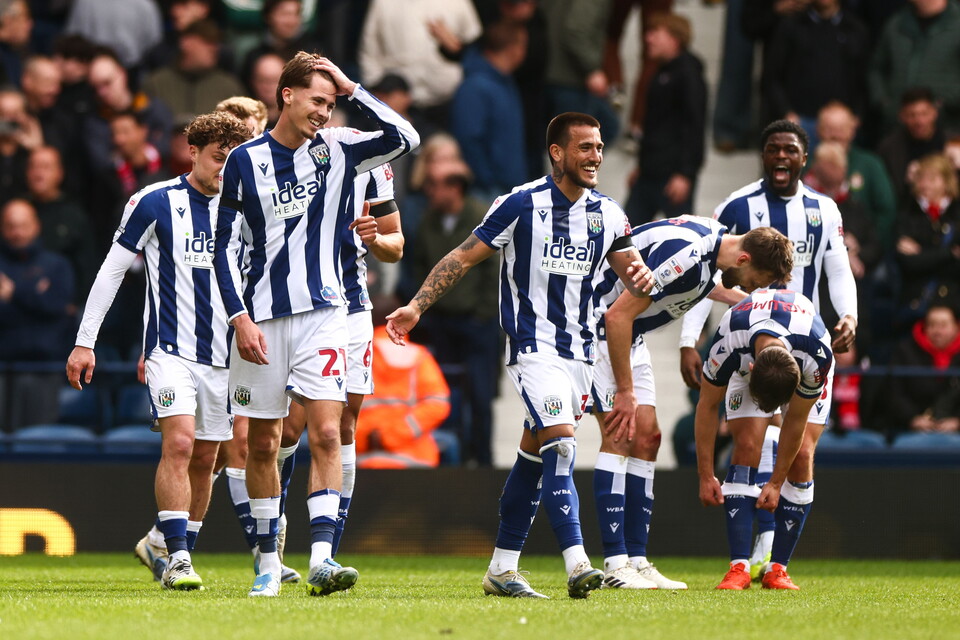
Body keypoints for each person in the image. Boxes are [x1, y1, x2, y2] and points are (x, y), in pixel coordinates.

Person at [386, 112, 654, 599]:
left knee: (534, 459)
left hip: (581, 356)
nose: (595, 156)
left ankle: (502, 569)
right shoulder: (520, 204)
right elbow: (462, 256)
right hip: (533, 350)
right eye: (585, 148)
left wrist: (650, 280)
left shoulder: (609, 214)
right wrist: (416, 306)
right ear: (558, 152)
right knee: (564, 446)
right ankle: (577, 563)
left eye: (598, 148)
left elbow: (633, 274)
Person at [212, 51, 419, 598]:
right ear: (287, 95)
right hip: (262, 320)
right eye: (317, 101)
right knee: (263, 444)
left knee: (329, 430)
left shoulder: (344, 149)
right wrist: (239, 318)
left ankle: (324, 557)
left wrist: (353, 88)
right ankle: (265, 560)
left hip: (328, 312)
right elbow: (222, 251)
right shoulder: (244, 162)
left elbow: (405, 137)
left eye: (332, 104)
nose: (325, 112)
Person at [65, 111, 251, 591]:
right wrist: (86, 341)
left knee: (206, 460)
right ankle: (180, 561)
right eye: (217, 158)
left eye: (234, 160)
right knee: (181, 443)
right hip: (169, 350)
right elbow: (111, 271)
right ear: (192, 152)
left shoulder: (249, 208)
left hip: (226, 356)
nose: (224, 169)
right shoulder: (153, 202)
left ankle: (163, 545)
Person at [678, 119, 858, 578]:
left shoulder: (824, 210)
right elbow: (707, 272)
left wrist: (849, 315)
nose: (781, 156)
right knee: (748, 444)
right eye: (773, 148)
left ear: (804, 156)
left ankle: (772, 555)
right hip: (749, 339)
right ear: (763, 155)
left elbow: (838, 271)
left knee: (799, 455)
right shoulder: (736, 206)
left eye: (790, 149)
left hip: (803, 344)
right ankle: (744, 560)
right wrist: (688, 337)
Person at [592, 216, 794, 590]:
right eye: (758, 283)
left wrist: (768, 306)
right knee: (621, 434)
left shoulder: (716, 250)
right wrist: (625, 390)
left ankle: (636, 560)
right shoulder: (684, 254)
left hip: (628, 335)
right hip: (596, 330)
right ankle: (614, 564)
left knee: (648, 438)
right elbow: (617, 314)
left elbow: (711, 288)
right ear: (745, 259)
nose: (755, 289)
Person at [694, 288, 834, 590]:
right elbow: (706, 406)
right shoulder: (728, 341)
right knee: (745, 445)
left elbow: (795, 420)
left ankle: (778, 569)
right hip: (746, 363)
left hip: (799, 359)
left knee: (802, 456)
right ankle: (739, 567)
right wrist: (706, 475)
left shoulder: (817, 356)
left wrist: (775, 482)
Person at [412, 160, 500, 467]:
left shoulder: (480, 217)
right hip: (443, 324)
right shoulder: (428, 220)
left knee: (480, 396)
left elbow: (493, 272)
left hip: (477, 325)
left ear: (454, 187)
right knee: (445, 397)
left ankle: (484, 463)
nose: (428, 192)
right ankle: (454, 462)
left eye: (434, 185)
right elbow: (420, 265)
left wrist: (483, 315)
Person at [623, 12, 706, 226]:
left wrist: (685, 174)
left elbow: (694, 125)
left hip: (673, 178)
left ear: (674, 38)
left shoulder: (689, 74)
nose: (648, 38)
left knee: (682, 240)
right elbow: (654, 125)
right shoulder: (660, 73)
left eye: (655, 33)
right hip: (649, 173)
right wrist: (642, 165)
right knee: (623, 237)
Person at [0, 198, 75, 430]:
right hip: (2, 369)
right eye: (11, 226)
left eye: (23, 225)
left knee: (38, 443)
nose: (17, 232)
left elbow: (59, 309)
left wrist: (13, 294)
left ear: (36, 226)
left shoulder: (56, 265)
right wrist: (35, 296)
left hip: (45, 371)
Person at [354, 295, 452, 468]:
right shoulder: (419, 356)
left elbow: (337, 409)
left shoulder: (355, 357)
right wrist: (391, 435)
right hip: (416, 462)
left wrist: (369, 437)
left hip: (362, 461)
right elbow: (437, 405)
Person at [449, 20, 527, 200]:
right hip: (488, 192)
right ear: (514, 48)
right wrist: (487, 180)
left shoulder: (505, 83)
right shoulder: (475, 87)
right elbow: (469, 139)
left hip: (509, 188)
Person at [868, 0, 960, 134]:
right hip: (898, 130)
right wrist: (883, 102)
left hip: (948, 130)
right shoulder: (897, 24)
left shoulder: (956, 22)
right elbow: (876, 69)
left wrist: (945, 103)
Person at [893, 153, 960, 333]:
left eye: (932, 179)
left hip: (954, 299)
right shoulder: (907, 214)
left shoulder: (956, 214)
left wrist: (923, 254)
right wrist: (949, 253)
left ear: (947, 182)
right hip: (916, 301)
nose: (924, 185)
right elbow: (908, 263)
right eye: (920, 178)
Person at [142, 19, 244, 122]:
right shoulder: (156, 84)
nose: (214, 48)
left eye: (216, 43)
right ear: (185, 42)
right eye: (207, 41)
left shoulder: (229, 87)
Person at [887, 303, 960, 434]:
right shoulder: (905, 351)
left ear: (956, 327)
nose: (937, 331)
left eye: (943, 325)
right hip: (912, 430)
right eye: (932, 325)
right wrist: (913, 419)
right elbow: (894, 392)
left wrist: (957, 422)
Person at [877, 87, 948, 205]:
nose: (919, 121)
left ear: (934, 113)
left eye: (924, 114)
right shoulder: (889, 149)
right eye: (912, 115)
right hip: (905, 212)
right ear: (902, 116)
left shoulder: (952, 143)